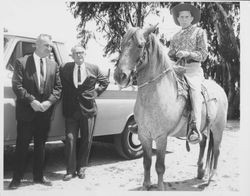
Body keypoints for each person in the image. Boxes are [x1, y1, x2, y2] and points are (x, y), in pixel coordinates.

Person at [9, 34, 62, 189]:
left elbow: (58, 89)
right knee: (22, 146)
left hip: (44, 113)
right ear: (37, 45)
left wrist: (48, 102)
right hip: (27, 112)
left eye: (51, 46)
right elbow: (17, 86)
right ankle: (16, 179)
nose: (50, 48)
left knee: (40, 146)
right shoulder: (22, 62)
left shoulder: (54, 65)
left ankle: (38, 177)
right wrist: (31, 100)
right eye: (47, 45)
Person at [60, 45, 109, 181]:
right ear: (72, 55)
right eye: (76, 53)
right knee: (70, 140)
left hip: (88, 110)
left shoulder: (94, 68)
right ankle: (70, 171)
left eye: (81, 53)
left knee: (86, 140)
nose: (79, 55)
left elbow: (105, 82)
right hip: (70, 110)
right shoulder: (65, 68)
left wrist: (95, 92)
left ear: (85, 54)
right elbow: (59, 84)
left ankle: (82, 168)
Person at [168, 3, 208, 144]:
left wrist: (188, 53)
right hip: (176, 68)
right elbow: (170, 54)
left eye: (187, 17)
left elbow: (203, 54)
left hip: (193, 69)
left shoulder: (199, 32)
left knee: (195, 92)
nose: (184, 19)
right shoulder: (175, 36)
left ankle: (195, 127)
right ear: (178, 19)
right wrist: (171, 54)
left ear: (192, 18)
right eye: (181, 17)